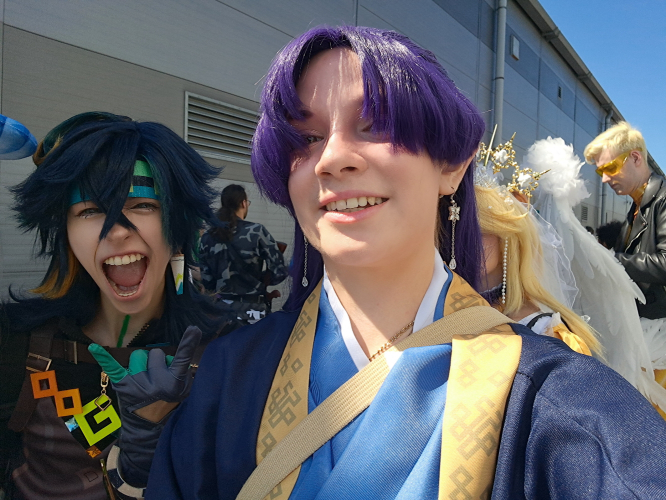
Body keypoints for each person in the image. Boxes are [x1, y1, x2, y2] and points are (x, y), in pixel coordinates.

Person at [147, 26, 666, 499]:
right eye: (306, 138)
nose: (332, 159)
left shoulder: (559, 406)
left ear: (451, 164)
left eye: (374, 125)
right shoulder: (227, 378)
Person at [0, 112, 222, 499]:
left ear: (180, 226)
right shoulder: (15, 340)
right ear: (66, 233)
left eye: (143, 205)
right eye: (89, 210)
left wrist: (145, 454)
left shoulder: (226, 352)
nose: (117, 230)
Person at [475, 184, 597, 356]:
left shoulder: (545, 333)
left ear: (505, 240)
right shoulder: (448, 304)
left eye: (476, 232)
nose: (459, 242)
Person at [585, 122, 666, 320]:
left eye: (611, 168)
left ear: (635, 158)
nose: (604, 179)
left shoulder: (662, 198)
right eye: (600, 172)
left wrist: (610, 259)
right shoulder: (637, 206)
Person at [198, 184, 288, 329]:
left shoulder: (208, 236)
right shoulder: (257, 231)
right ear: (243, 203)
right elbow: (280, 272)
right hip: (253, 312)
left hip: (221, 314)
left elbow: (207, 281)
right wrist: (260, 281)